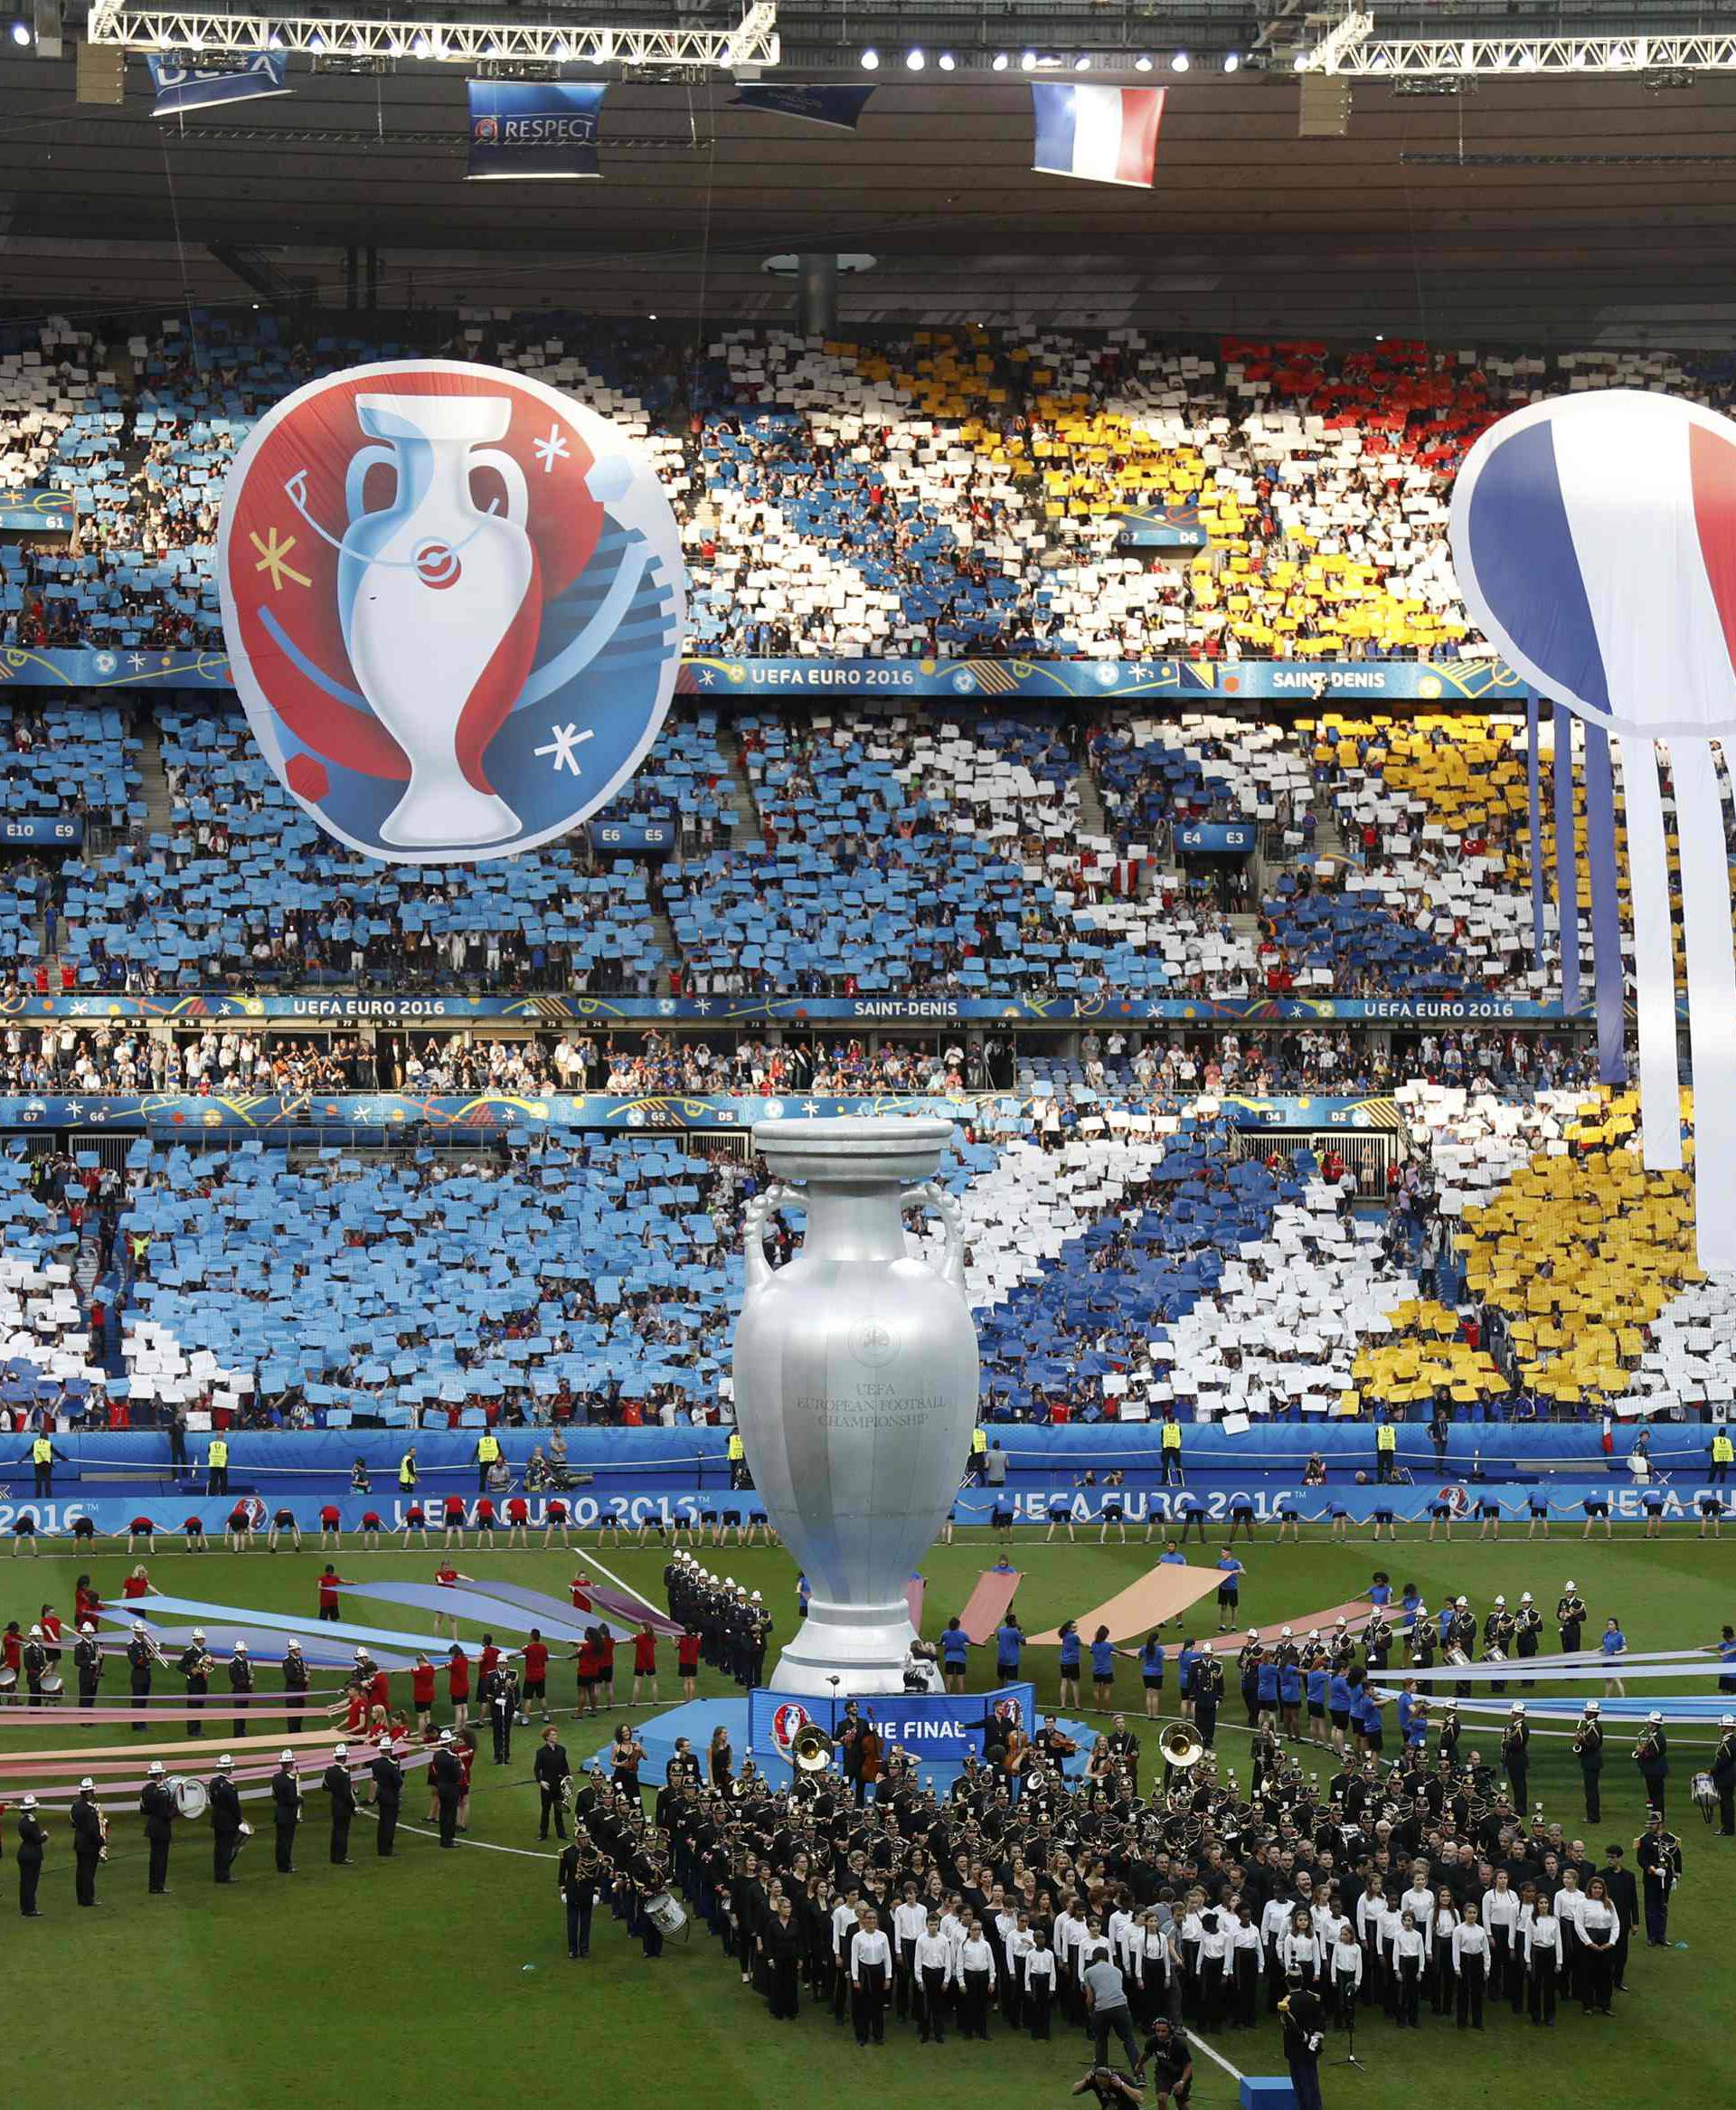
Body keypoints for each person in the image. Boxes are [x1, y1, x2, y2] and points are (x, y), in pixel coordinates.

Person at [1083, 1947, 1139, 2068]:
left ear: (1094, 1958)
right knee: (1129, 2040)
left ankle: (1101, 2072)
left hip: (1102, 2008)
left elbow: (1090, 1999)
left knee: (1101, 2041)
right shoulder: (1117, 1971)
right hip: (1121, 2007)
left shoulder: (1088, 1972)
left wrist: (1090, 2012)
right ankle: (1139, 2074)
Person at [1637, 1811, 1682, 1944]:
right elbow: (1641, 1860)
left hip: (1666, 1877)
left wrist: (1676, 1876)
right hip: (1652, 1878)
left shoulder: (1671, 1839)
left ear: (1660, 1824)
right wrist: (1653, 1870)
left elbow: (1677, 1859)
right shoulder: (1645, 1839)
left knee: (1663, 1906)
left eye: (1653, 1823)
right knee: (1651, 1907)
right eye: (1650, 1823)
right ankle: (1651, 1936)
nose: (1651, 1826)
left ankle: (1661, 1935)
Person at [1279, 1982, 1326, 2110]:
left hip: (1296, 2050)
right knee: (1313, 2085)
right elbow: (1320, 2024)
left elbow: (1290, 2029)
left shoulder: (1287, 2003)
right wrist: (1313, 2043)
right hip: (1311, 2049)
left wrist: (1304, 2038)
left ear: (1288, 1982)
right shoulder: (1312, 1998)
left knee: (1301, 2088)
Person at [559, 1835, 599, 1959]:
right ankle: (572, 1949)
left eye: (587, 1837)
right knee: (572, 1923)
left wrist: (596, 1892)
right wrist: (563, 1891)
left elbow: (597, 1874)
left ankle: (584, 1948)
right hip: (572, 1892)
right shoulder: (567, 1852)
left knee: (586, 1923)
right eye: (583, 1838)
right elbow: (562, 1874)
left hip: (587, 1892)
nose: (586, 1840)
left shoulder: (593, 1853)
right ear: (577, 1839)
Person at [139, 1760, 175, 1895]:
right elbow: (166, 1814)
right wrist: (176, 1811)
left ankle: (153, 1885)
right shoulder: (162, 1791)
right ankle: (158, 1886)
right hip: (162, 1827)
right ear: (159, 1775)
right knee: (161, 1858)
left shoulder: (146, 1789)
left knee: (154, 1858)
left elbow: (143, 1810)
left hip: (152, 1825)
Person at [534, 1725, 571, 1840]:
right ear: (547, 1737)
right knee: (546, 1810)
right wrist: (541, 1782)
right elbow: (536, 1769)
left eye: (556, 1734)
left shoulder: (562, 1750)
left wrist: (568, 1780)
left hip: (559, 1785)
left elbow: (565, 1767)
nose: (556, 1736)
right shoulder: (541, 1752)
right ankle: (543, 1833)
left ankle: (561, 1833)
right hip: (547, 1786)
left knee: (558, 1810)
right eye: (553, 1735)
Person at [370, 1741, 404, 1858]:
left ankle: (381, 1848)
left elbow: (375, 1777)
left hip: (381, 1794)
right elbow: (398, 1782)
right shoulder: (392, 1765)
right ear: (389, 1751)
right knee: (389, 1823)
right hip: (391, 1795)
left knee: (382, 1823)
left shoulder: (376, 1763)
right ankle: (387, 1849)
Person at [431, 1729, 465, 1847]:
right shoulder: (452, 1757)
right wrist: (461, 1769)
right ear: (449, 1743)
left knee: (443, 1813)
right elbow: (457, 1775)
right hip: (451, 1787)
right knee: (451, 1814)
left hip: (441, 1785)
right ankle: (449, 1839)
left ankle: (443, 1839)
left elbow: (435, 1771)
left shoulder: (437, 1755)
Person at [325, 1745, 356, 1865]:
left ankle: (334, 1856)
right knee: (342, 1832)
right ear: (344, 1758)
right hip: (344, 1805)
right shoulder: (344, 1773)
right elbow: (347, 1794)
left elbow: (325, 1787)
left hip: (335, 1803)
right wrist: (353, 1806)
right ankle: (341, 1856)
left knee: (336, 1831)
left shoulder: (329, 1771)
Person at [271, 1751, 300, 1873]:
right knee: (286, 1842)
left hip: (279, 1812)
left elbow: (274, 1795)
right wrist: (300, 1799)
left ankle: (281, 1864)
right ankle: (286, 1865)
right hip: (288, 1813)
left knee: (280, 1841)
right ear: (290, 1764)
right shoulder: (290, 1780)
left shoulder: (276, 1778)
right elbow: (292, 1799)